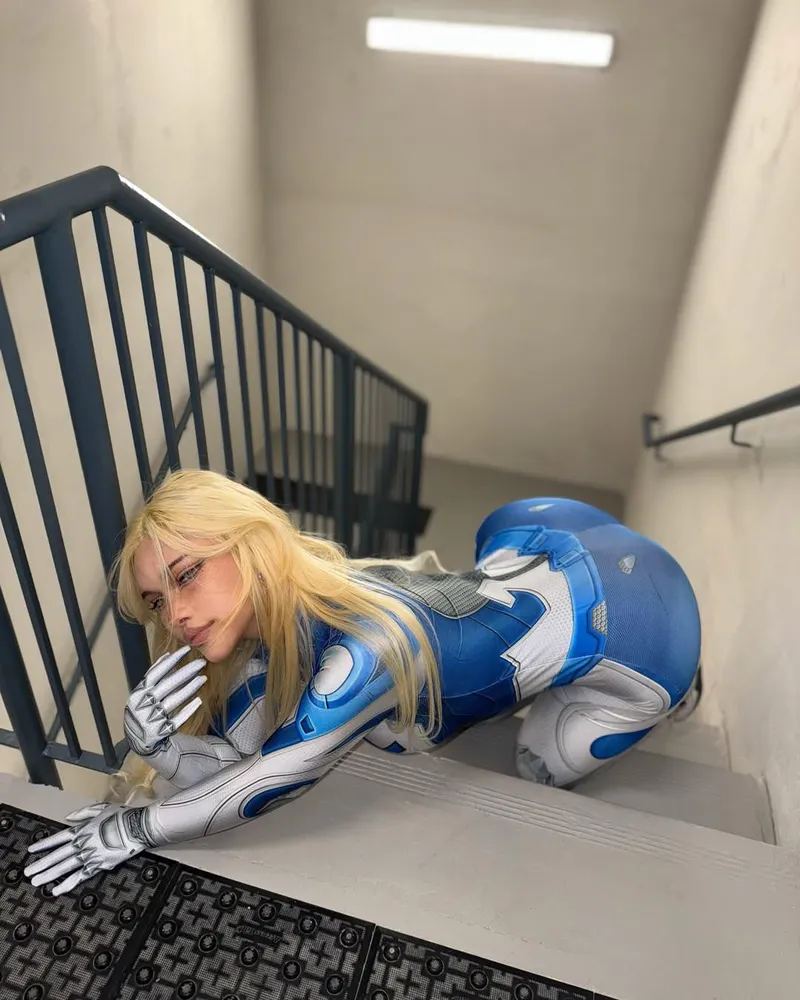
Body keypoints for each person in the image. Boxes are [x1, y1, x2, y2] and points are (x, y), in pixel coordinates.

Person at [25, 469, 701, 896]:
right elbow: (235, 762)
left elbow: (269, 780)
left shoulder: (364, 650)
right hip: (531, 537)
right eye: (156, 600)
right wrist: (158, 745)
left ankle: (677, 687)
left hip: (640, 621)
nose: (173, 615)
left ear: (249, 541)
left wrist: (132, 828)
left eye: (186, 574)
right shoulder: (281, 624)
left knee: (538, 765)